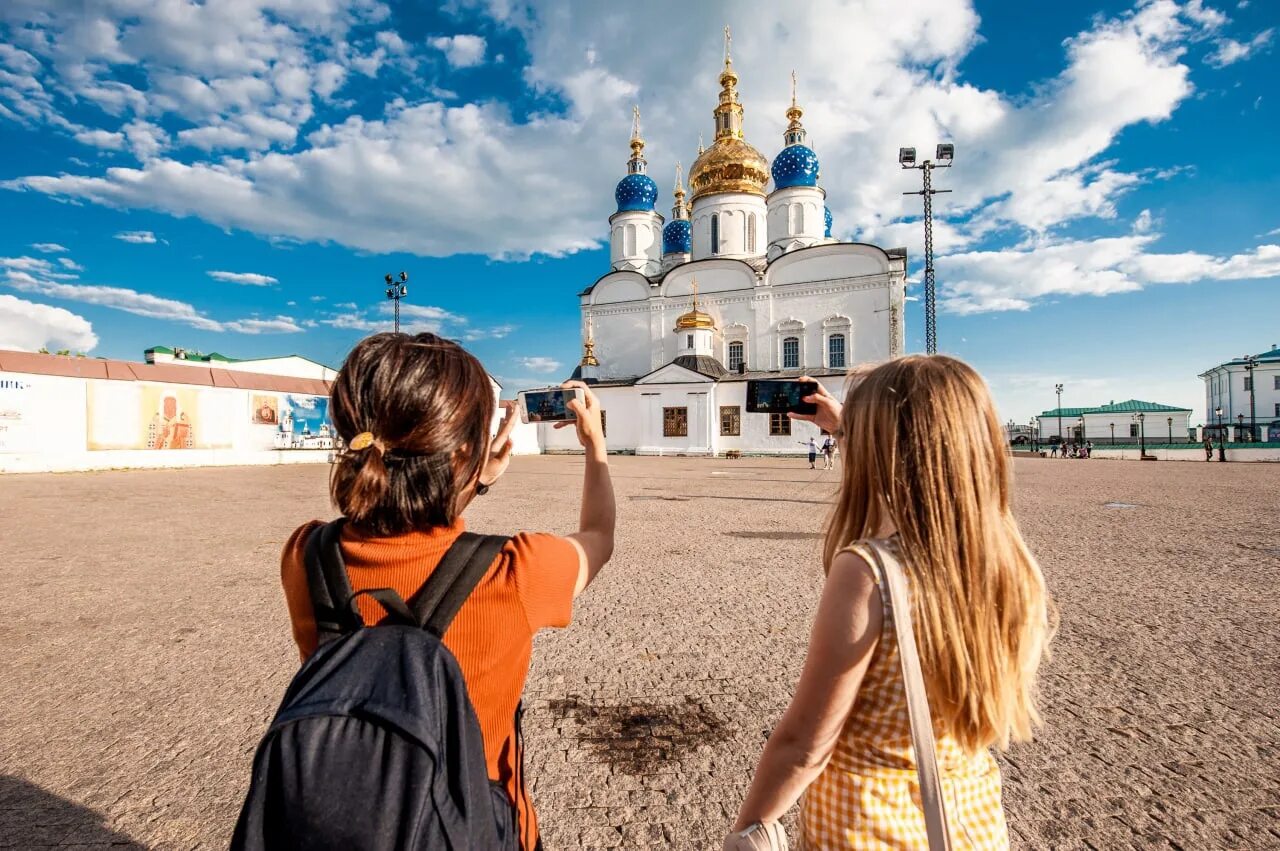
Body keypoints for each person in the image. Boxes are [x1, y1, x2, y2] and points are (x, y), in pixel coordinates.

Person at [278, 333, 615, 850]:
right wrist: (595, 448)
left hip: (340, 813)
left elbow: (404, 531)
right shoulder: (516, 569)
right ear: (466, 451)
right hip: (473, 825)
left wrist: (471, 479)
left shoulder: (307, 553)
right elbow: (599, 538)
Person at [725, 356, 1054, 849]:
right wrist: (843, 425)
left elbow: (805, 744)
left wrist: (748, 830)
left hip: (868, 824)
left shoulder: (869, 571)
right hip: (968, 817)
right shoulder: (1007, 561)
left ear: (881, 450)